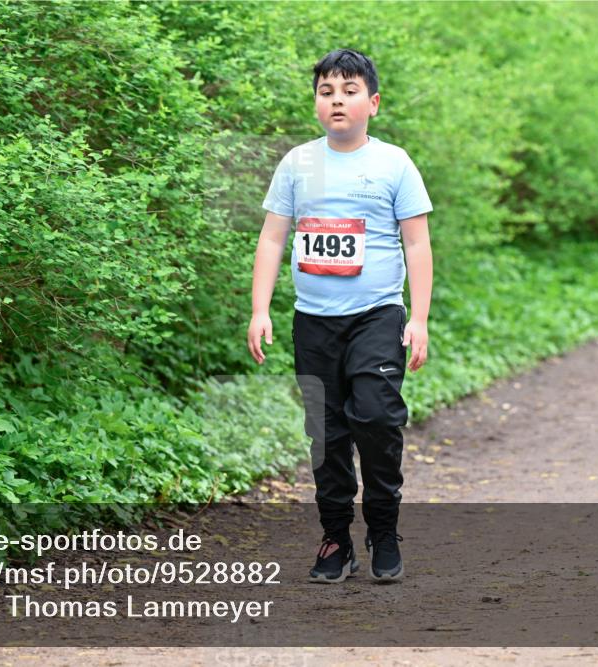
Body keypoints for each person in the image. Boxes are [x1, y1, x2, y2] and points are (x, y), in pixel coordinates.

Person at [247, 48, 433, 582]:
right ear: (315, 103)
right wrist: (261, 309)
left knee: (376, 419)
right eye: (327, 92)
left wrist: (417, 319)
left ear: (372, 103)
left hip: (378, 315)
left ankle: (382, 530)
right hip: (313, 321)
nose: (337, 101)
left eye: (350, 91)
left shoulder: (394, 163)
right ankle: (335, 539)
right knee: (325, 434)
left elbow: (416, 245)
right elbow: (272, 237)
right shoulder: (297, 163)